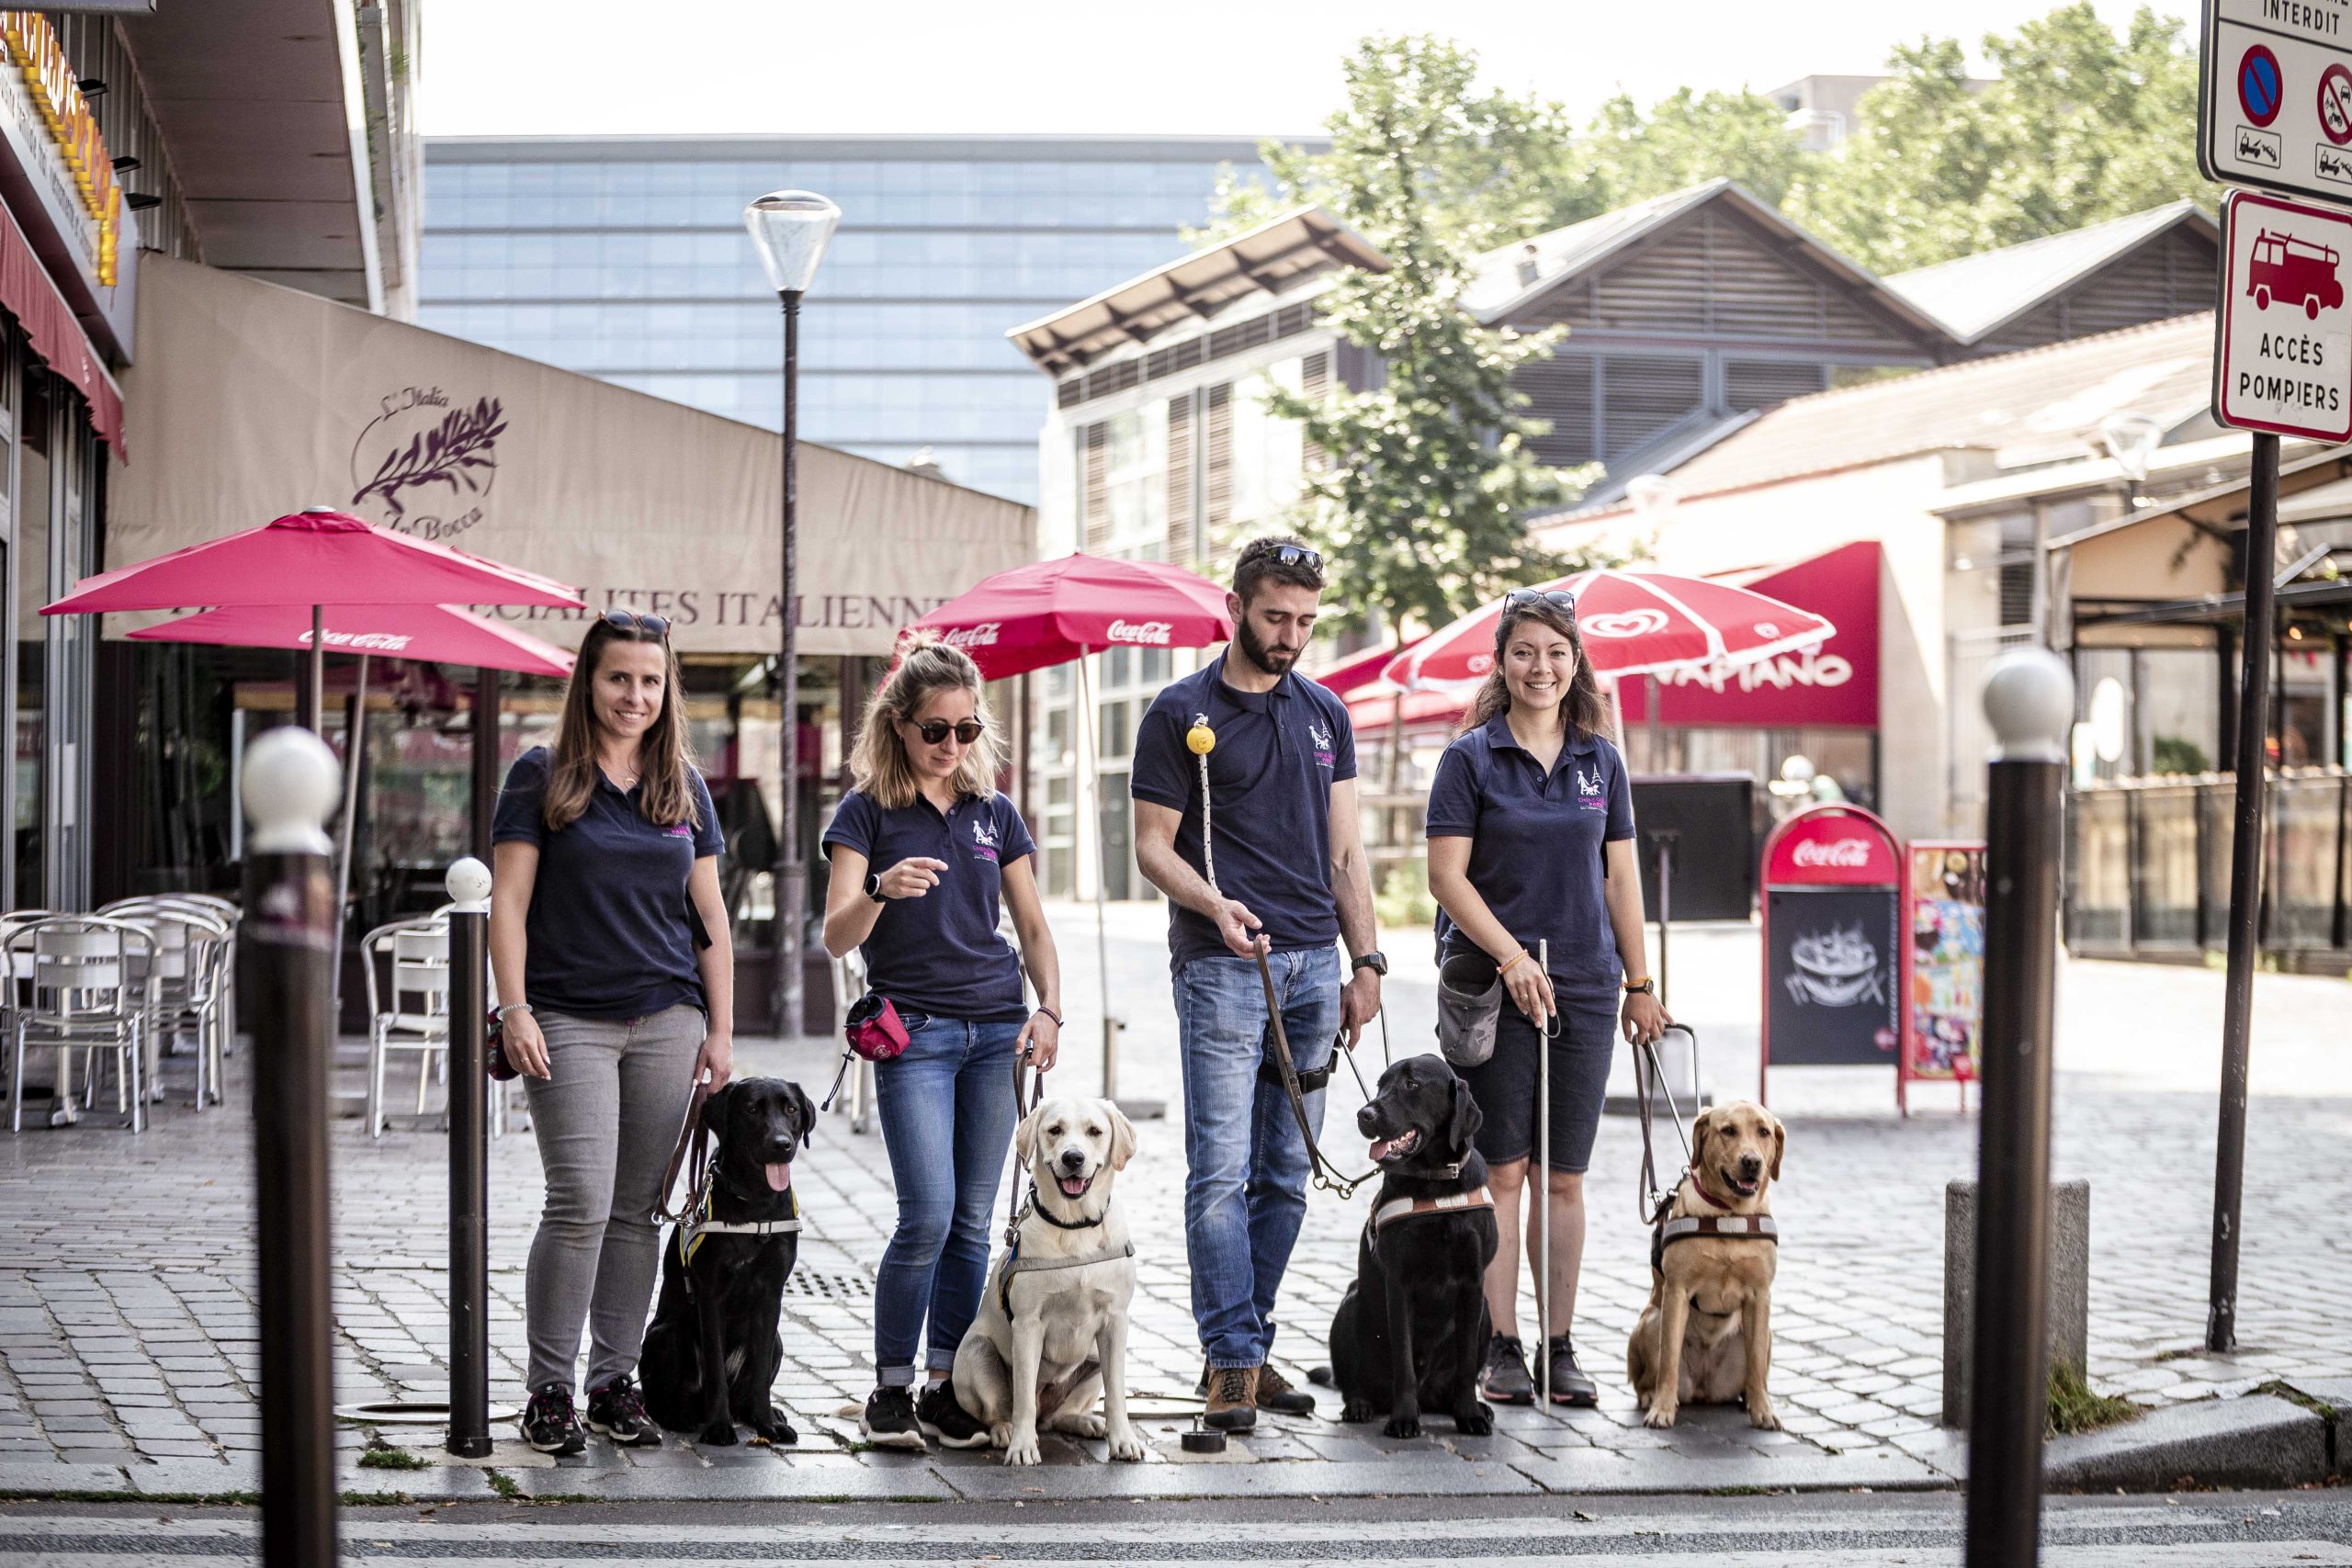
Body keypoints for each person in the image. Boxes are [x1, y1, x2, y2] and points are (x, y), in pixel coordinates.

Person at [1131, 536, 1382, 1431]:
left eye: (1306, 621)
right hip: (1222, 971)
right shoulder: (1178, 713)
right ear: (1235, 607)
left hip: (1317, 969)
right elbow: (1151, 846)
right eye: (1276, 616)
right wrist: (1216, 903)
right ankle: (1233, 1365)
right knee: (1219, 1174)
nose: (1291, 635)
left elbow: (1346, 850)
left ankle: (1247, 1346)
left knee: (1285, 1172)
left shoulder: (1324, 713)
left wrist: (1367, 960)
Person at [490, 608, 733, 1455]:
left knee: (638, 1210)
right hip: (567, 1017)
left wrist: (720, 1032)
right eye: (619, 678)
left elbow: (710, 915)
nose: (635, 694)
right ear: (588, 682)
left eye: (651, 680)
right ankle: (550, 1388)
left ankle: (612, 1383)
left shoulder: (683, 786)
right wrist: (513, 1006)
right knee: (581, 1201)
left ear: (668, 691)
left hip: (668, 1017)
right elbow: (509, 903)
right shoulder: (541, 774)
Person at [1423, 588, 1669, 1407]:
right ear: (1501, 661)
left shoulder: (1601, 761)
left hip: (1589, 989)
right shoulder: (1469, 759)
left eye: (1557, 652)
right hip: (1492, 991)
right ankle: (1500, 1345)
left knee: (1564, 1176)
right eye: (1525, 651)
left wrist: (1640, 983)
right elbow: (1446, 876)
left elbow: (1621, 876)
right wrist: (1511, 958)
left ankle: (1559, 1345)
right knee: (1503, 1171)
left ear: (1576, 662)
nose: (1542, 667)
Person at [820, 633, 1062, 1451]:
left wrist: (1050, 1011)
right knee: (924, 1213)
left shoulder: (996, 813)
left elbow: (1030, 924)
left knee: (969, 1221)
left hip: (997, 1028)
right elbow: (833, 935)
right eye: (936, 730)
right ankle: (890, 1387)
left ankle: (945, 1387)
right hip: (915, 1032)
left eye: (966, 729)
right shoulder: (864, 811)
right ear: (897, 725)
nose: (952, 746)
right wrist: (881, 891)